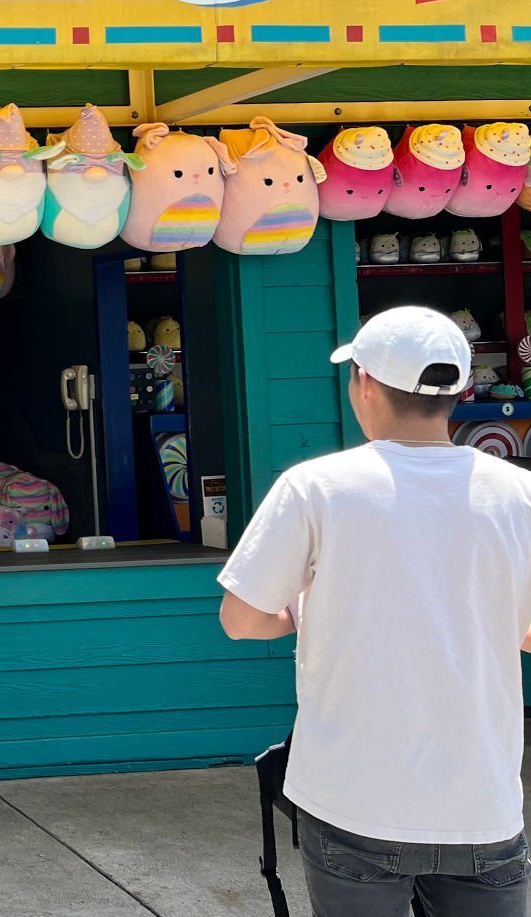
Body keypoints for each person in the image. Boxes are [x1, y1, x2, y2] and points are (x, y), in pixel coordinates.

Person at [218, 306, 531, 916]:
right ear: (461, 391)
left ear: (362, 381)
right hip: (481, 803)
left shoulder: (316, 487)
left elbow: (242, 619)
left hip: (352, 798)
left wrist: (305, 611)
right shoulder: (519, 494)